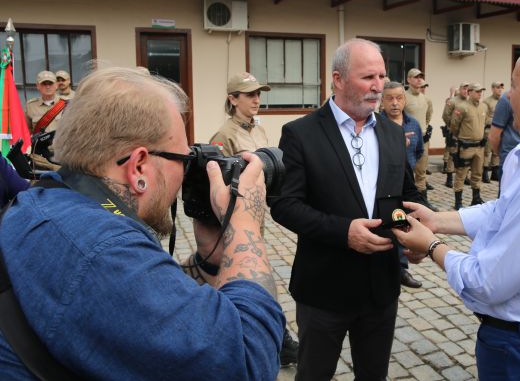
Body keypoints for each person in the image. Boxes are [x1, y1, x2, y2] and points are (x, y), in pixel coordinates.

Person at [0, 67, 284, 380]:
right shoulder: (102, 251)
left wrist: (211, 256)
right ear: (137, 167)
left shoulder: (53, 197)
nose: (185, 174)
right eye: (182, 159)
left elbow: (162, 299)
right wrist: (243, 222)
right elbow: (245, 361)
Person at [394, 40, 520, 380]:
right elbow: (505, 210)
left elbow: (485, 283)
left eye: (514, 86)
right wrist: (438, 220)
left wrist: (431, 245)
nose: (506, 95)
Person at [270, 39, 423, 381]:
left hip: (381, 288)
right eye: (368, 76)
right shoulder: (300, 133)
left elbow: (406, 195)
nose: (379, 85)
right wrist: (343, 232)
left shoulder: (392, 133)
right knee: (314, 374)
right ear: (338, 79)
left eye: (382, 76)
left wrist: (412, 233)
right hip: (324, 288)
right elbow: (284, 205)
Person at [208, 72, 299, 364]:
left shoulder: (257, 129)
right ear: (233, 99)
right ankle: (270, 337)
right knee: (245, 277)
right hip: (235, 222)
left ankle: (262, 333)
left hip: (255, 218)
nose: (257, 100)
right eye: (249, 95)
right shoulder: (224, 136)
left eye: (259, 94)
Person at [380, 81, 424, 289]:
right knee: (389, 226)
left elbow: (418, 151)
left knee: (404, 224)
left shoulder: (413, 124)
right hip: (385, 186)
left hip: (406, 183)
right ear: (382, 102)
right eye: (389, 98)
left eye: (399, 98)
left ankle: (402, 268)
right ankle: (391, 267)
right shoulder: (377, 125)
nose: (395, 103)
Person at [449, 82, 487, 209]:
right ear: (469, 92)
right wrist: (460, 138)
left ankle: (476, 198)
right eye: (477, 91)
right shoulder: (462, 107)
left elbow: (484, 123)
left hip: (479, 147)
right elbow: (454, 125)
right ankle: (458, 202)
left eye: (481, 91)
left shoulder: (483, 107)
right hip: (465, 146)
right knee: (461, 173)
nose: (479, 94)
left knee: (477, 173)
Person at [403, 68, 436, 209]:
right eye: (416, 77)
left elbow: (428, 116)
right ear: (409, 80)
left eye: (421, 77)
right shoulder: (403, 97)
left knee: (421, 172)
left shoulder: (426, 99)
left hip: (422, 140)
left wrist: (425, 128)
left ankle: (423, 202)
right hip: (408, 140)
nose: (419, 79)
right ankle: (406, 202)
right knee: (406, 172)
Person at [487, 89, 520, 194]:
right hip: (510, 156)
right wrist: (503, 155)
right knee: (505, 199)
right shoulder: (506, 100)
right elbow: (494, 136)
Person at [482, 82, 503, 183]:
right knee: (487, 152)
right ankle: (484, 172)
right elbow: (483, 117)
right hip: (489, 129)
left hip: (500, 129)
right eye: (498, 88)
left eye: (501, 88)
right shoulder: (487, 102)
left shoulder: (503, 100)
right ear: (493, 89)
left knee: (496, 152)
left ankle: (495, 173)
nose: (500, 90)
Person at [441, 86, 458, 187]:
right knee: (449, 151)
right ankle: (449, 178)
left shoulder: (464, 102)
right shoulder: (451, 101)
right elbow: (446, 114)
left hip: (462, 133)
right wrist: (451, 94)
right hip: (451, 131)